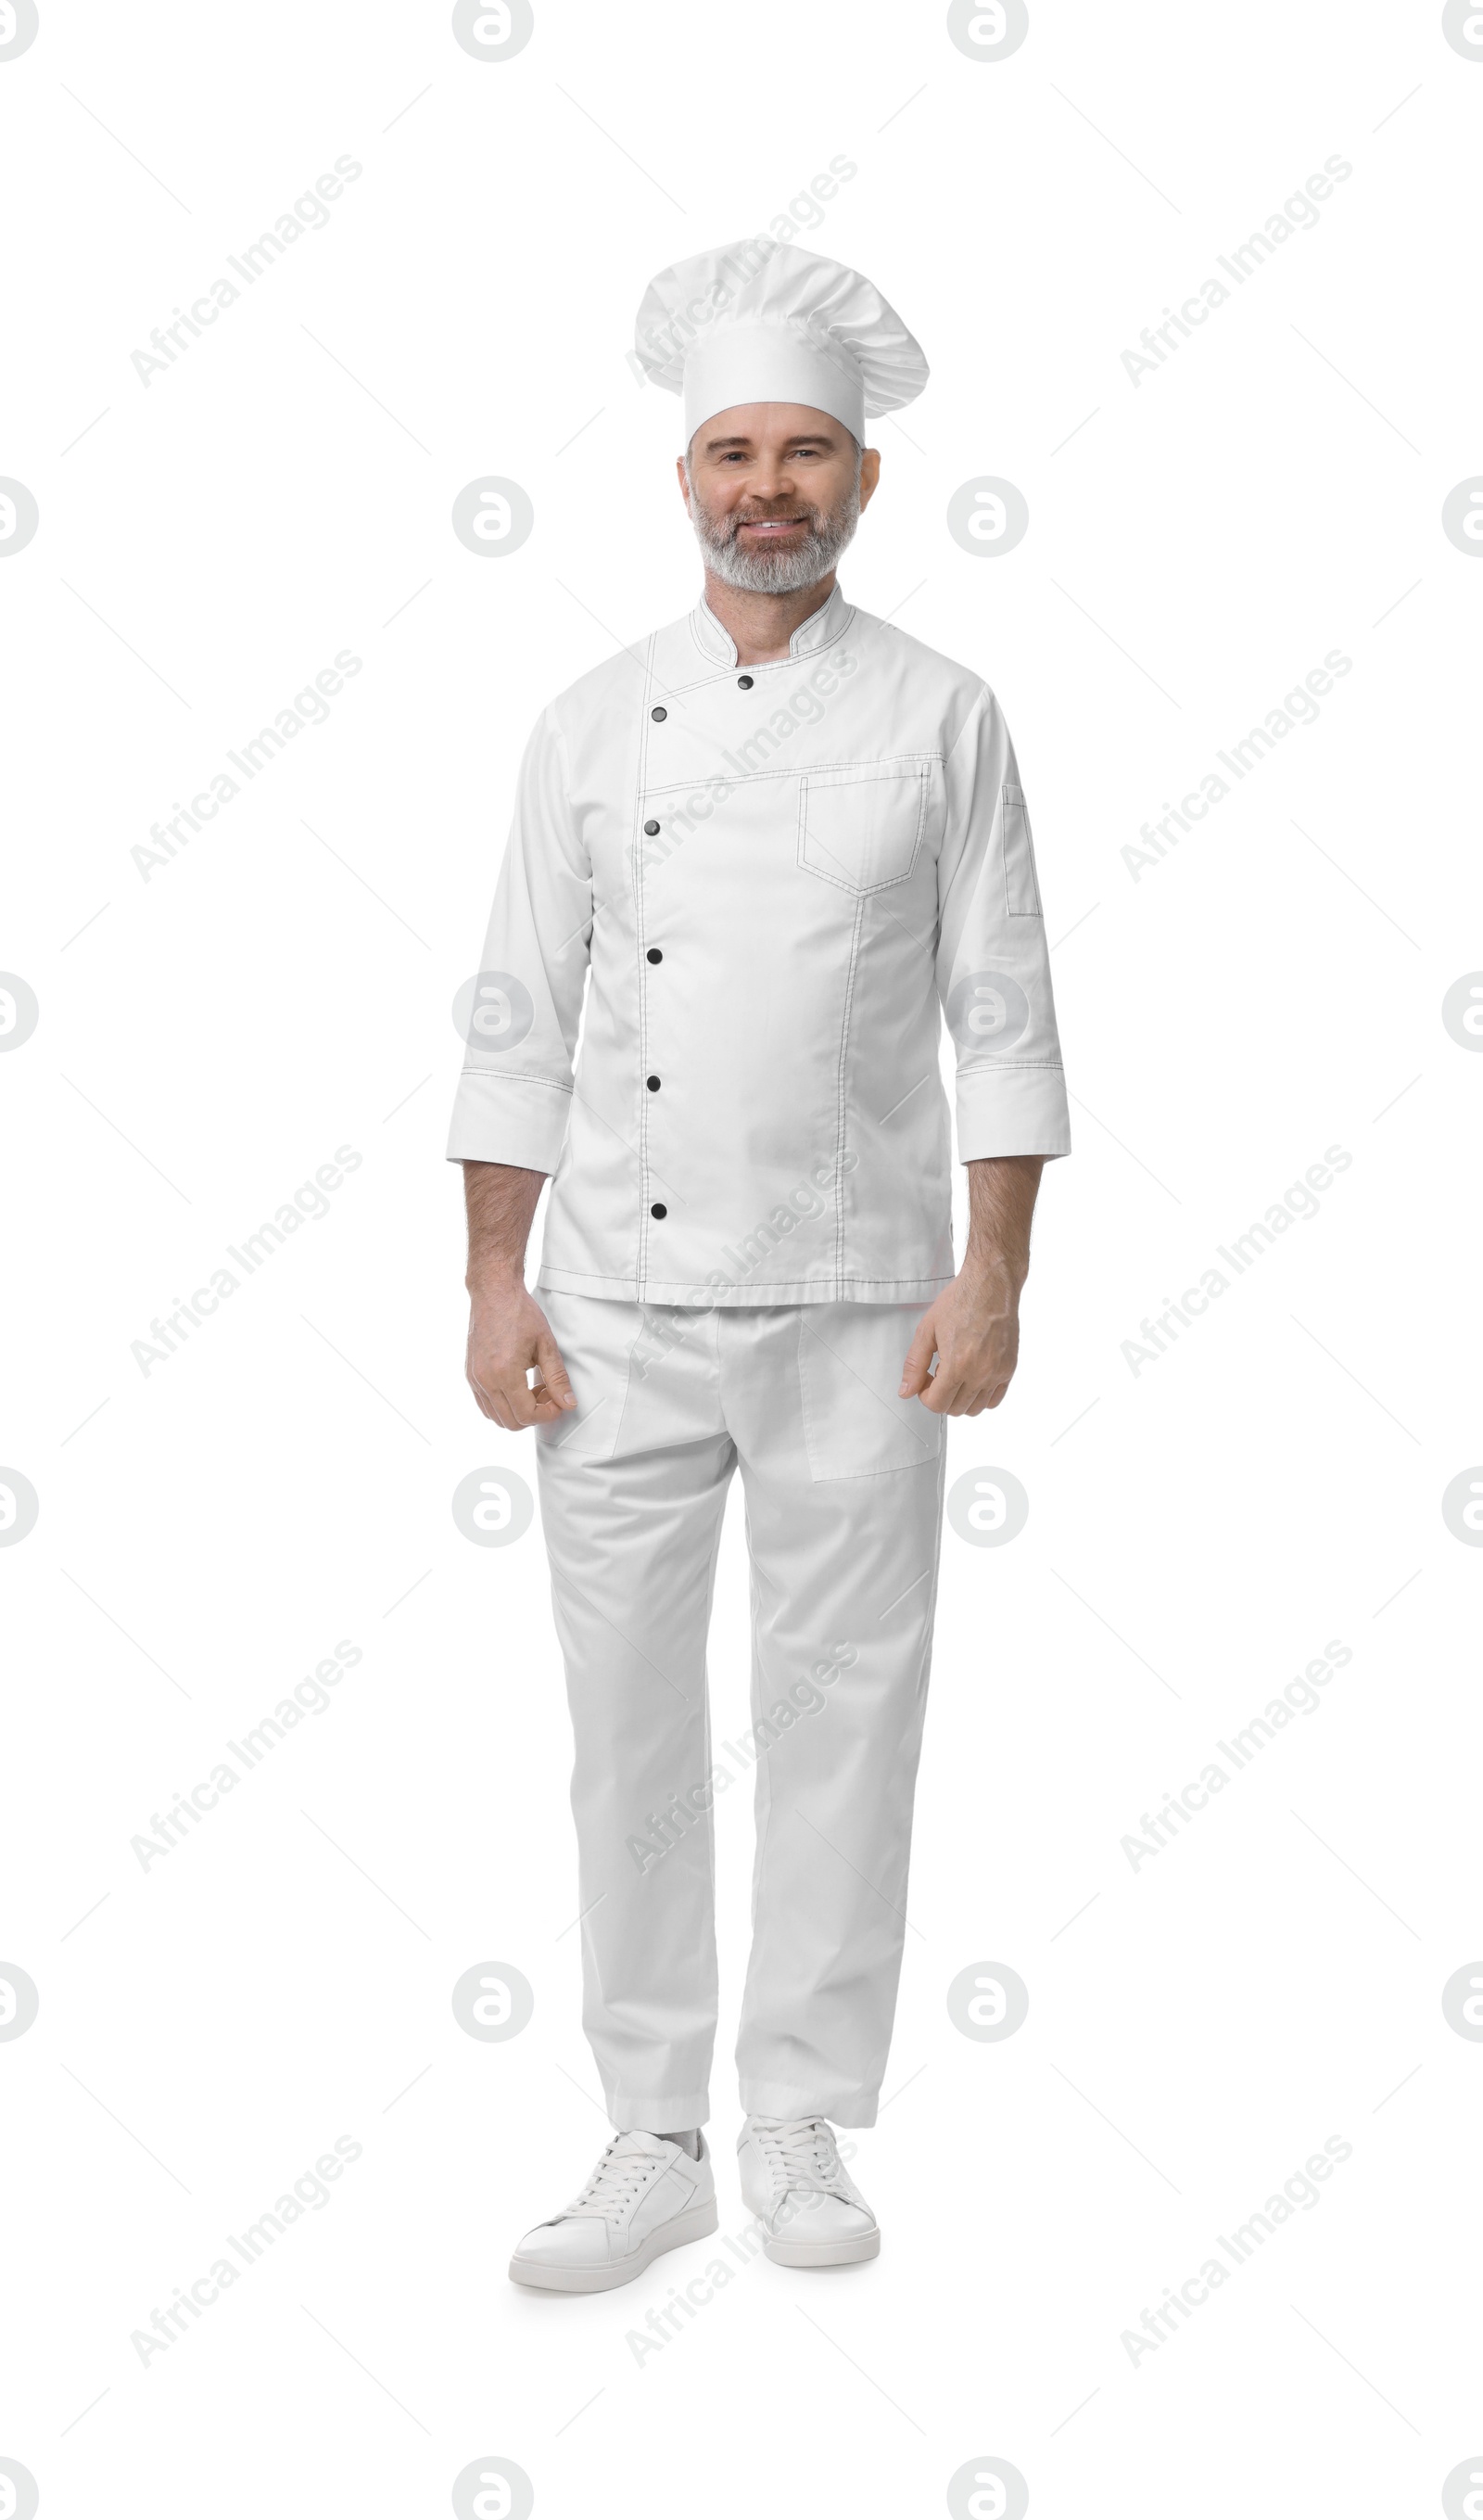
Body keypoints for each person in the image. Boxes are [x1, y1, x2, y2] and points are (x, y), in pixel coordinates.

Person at [448, 239, 1071, 2293]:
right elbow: (513, 1016)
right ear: (682, 477)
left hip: (860, 1300)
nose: (765, 486)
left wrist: (991, 1277)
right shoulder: (579, 723)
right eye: (731, 450)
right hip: (611, 1310)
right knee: (621, 1725)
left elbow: (1001, 1008)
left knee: (841, 1709)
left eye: (805, 451)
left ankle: (798, 2115)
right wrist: (490, 1281)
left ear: (868, 481)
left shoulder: (940, 715)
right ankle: (647, 2135)